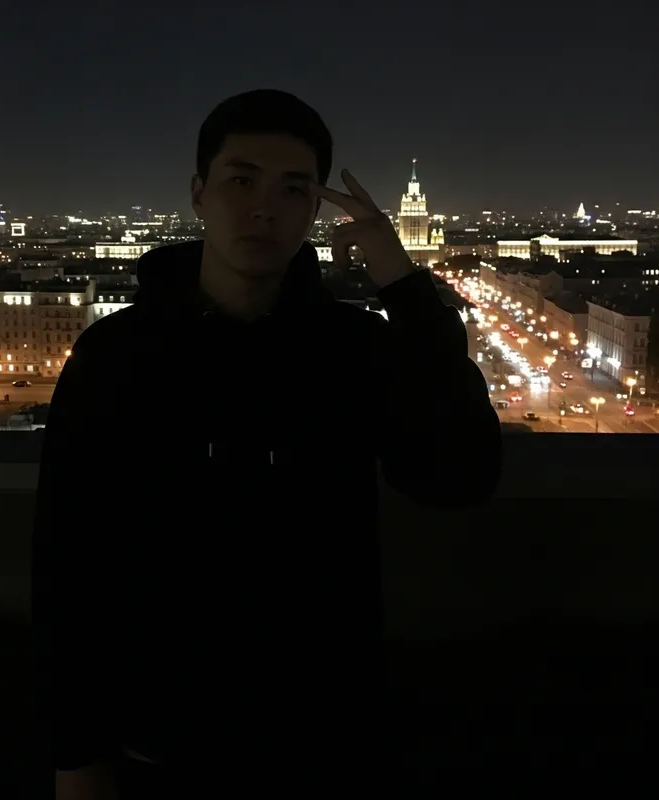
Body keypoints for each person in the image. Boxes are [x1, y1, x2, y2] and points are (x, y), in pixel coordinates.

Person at [33, 89, 501, 793]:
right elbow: (68, 560)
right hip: (161, 739)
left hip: (318, 736)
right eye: (242, 180)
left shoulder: (353, 350)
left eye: (293, 189)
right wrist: (77, 757)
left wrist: (400, 281)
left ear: (314, 212)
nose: (264, 207)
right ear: (198, 194)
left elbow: (459, 474)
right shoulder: (116, 355)